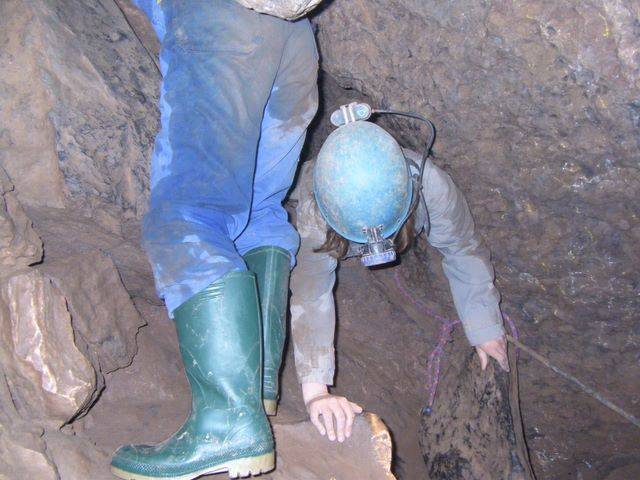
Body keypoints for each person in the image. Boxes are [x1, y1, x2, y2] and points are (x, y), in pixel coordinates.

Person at [109, 1, 345, 479]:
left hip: (221, 24)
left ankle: (228, 424)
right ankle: (257, 384)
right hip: (294, 39)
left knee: (188, 211)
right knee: (259, 209)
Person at [287, 118, 509, 444]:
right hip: (316, 210)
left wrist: (484, 326)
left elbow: (462, 248)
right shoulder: (314, 210)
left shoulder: (429, 183)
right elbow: (311, 292)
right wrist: (316, 392)